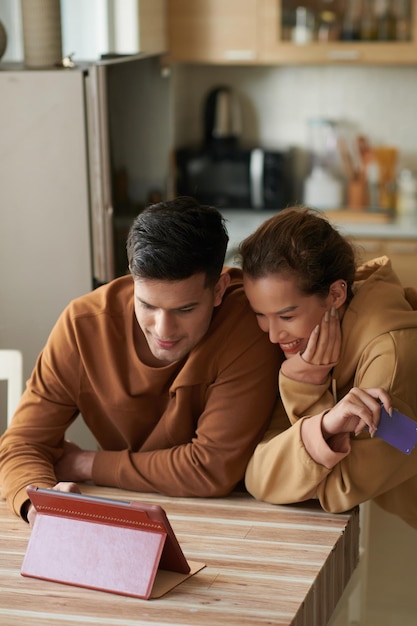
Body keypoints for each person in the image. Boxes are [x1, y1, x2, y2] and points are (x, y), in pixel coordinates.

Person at [0, 196, 282, 523]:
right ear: (132, 280)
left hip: (233, 520)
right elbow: (21, 444)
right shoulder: (82, 326)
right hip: (126, 513)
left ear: (218, 290)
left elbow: (211, 468)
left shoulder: (248, 323)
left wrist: (88, 464)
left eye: (185, 309)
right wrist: (41, 508)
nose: (164, 329)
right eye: (147, 305)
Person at [239, 206, 417, 530]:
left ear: (336, 293)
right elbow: (257, 474)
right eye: (261, 315)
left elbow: (332, 493)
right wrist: (319, 412)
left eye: (286, 316)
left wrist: (306, 389)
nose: (274, 334)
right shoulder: (311, 344)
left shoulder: (391, 362)